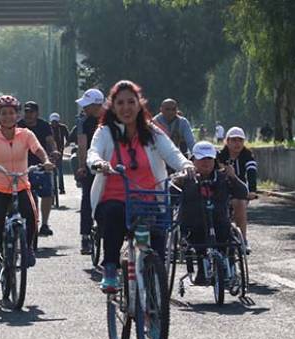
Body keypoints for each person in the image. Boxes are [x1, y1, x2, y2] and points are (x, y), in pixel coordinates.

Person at [87, 80, 193, 292]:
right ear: (113, 106)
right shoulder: (105, 132)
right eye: (120, 103)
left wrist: (186, 165)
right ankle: (110, 270)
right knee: (114, 215)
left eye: (131, 102)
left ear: (139, 104)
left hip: (149, 199)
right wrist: (99, 163)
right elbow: (93, 153)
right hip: (114, 198)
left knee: (159, 236)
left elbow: (172, 153)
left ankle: (155, 279)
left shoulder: (152, 132)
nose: (126, 108)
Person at [0, 95, 55, 283]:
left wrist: (45, 161)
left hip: (21, 183)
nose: (8, 117)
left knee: (32, 216)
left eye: (11, 113)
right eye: (3, 113)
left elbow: (38, 149)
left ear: (17, 115)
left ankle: (27, 249)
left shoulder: (26, 134)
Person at [175, 141, 248, 284]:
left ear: (215, 160)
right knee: (196, 237)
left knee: (228, 237)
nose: (206, 162)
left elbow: (242, 193)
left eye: (209, 158)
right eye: (201, 158)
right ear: (193, 160)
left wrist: (233, 177)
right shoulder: (186, 178)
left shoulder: (223, 178)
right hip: (193, 227)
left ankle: (230, 267)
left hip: (220, 223)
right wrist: (177, 181)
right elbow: (169, 193)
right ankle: (202, 269)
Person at [18, 101, 60, 236]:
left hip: (41, 164)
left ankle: (45, 224)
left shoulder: (44, 125)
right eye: (26, 111)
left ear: (37, 113)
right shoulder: (19, 126)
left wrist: (54, 151)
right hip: (20, 165)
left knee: (47, 192)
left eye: (31, 112)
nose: (28, 115)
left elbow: (50, 141)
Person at [216, 127, 258, 253]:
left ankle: (243, 240)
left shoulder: (247, 155)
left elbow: (251, 172)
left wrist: (252, 190)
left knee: (239, 203)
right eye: (233, 140)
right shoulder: (220, 156)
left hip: (240, 189)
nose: (237, 143)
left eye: (240, 140)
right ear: (227, 141)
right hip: (221, 189)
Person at [74, 88, 105, 255]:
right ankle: (85, 236)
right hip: (90, 165)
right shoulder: (83, 121)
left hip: (110, 165)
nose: (84, 109)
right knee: (87, 198)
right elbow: (82, 145)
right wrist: (81, 167)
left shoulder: (112, 119)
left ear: (97, 105)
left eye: (87, 105)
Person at [49, 112, 69, 195]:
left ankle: (61, 188)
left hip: (59, 152)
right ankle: (50, 188)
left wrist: (67, 144)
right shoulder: (47, 127)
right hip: (49, 151)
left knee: (60, 171)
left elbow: (68, 137)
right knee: (49, 171)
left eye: (56, 121)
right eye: (53, 121)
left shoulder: (62, 128)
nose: (54, 123)